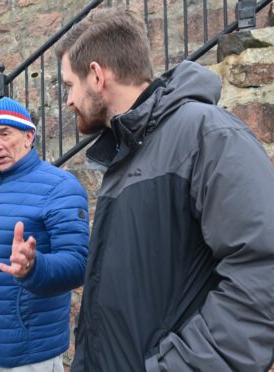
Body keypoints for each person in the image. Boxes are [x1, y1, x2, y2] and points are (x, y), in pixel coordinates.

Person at [55, 7, 274, 372]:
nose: (68, 101)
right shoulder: (125, 152)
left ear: (96, 76)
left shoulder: (207, 134)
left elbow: (262, 276)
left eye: (68, 85)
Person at [0, 97, 90, 371]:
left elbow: (79, 263)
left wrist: (34, 267)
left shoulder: (60, 186)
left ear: (29, 136)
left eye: (4, 133)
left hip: (28, 349)